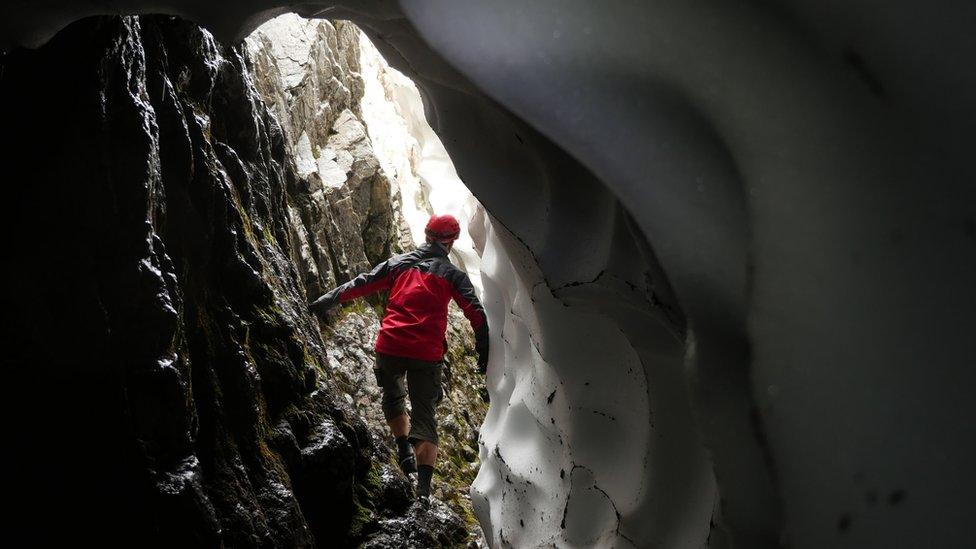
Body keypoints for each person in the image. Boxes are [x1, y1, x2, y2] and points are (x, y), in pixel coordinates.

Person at [309, 214, 489, 506]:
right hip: (426, 355)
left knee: (392, 396)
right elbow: (476, 314)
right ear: (451, 241)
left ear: (426, 234)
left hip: (391, 344)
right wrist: (484, 352)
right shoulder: (453, 275)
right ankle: (423, 493)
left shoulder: (399, 264)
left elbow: (360, 284)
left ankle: (403, 449)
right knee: (425, 416)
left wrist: (327, 300)